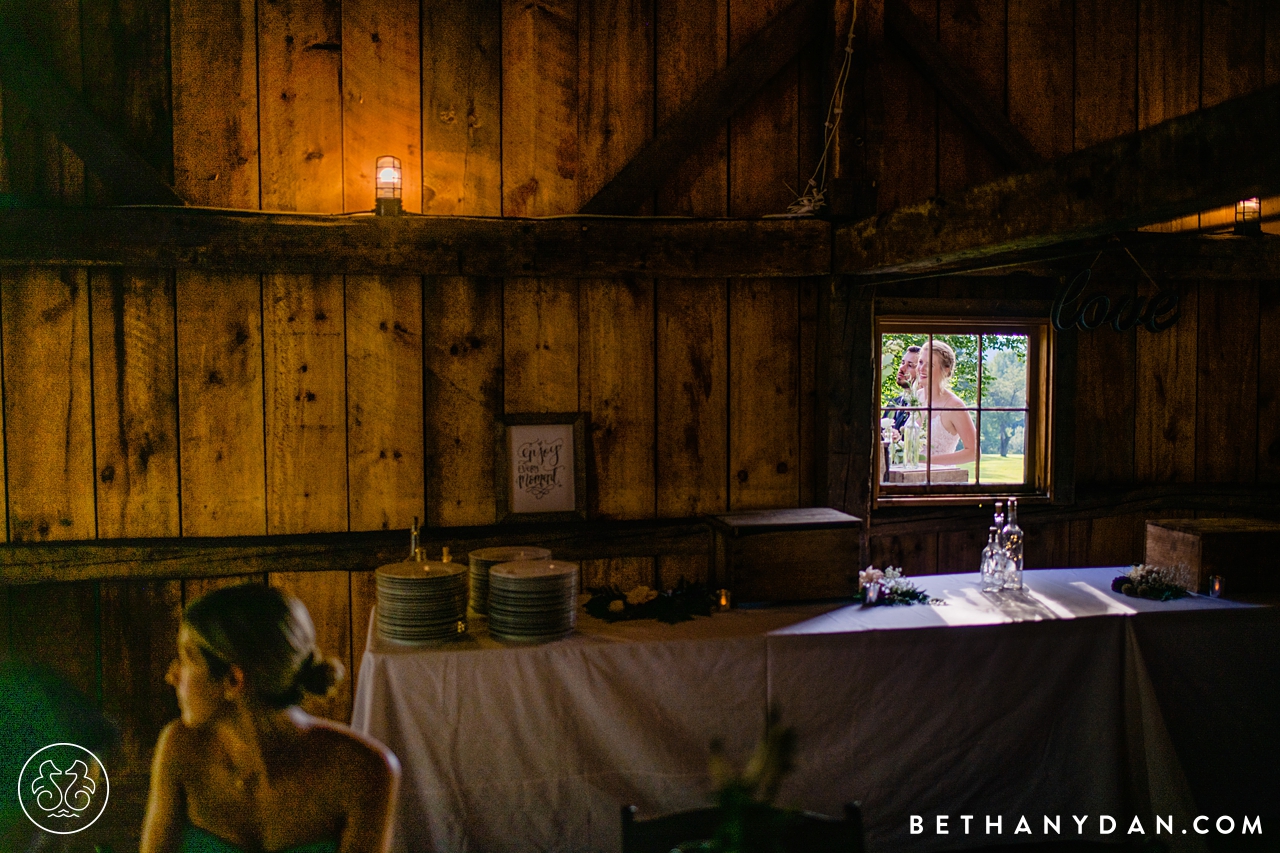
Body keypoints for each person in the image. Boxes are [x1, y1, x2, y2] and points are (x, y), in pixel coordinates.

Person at [141, 584, 400, 853]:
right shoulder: (180, 748)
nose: (171, 675)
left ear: (233, 680)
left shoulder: (362, 771)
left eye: (186, 659)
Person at [917, 340, 977, 466]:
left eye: (930, 365)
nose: (921, 368)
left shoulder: (954, 406)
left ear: (946, 370)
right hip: (908, 478)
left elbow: (974, 452)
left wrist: (925, 461)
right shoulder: (916, 397)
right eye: (921, 362)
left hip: (940, 479)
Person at [887, 345, 922, 434]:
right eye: (902, 363)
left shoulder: (923, 407)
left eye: (910, 365)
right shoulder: (892, 404)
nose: (902, 368)